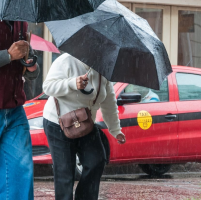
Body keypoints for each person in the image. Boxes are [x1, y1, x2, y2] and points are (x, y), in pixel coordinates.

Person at [43, 53, 126, 200]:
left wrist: (115, 129)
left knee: (97, 160)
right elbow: (48, 87)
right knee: (65, 171)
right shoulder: (66, 60)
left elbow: (109, 102)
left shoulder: (103, 70)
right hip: (58, 122)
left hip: (85, 123)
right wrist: (72, 83)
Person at [0, 21, 40, 200]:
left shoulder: (21, 22)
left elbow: (30, 73)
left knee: (21, 175)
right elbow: (10, 57)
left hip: (15, 109)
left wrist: (31, 63)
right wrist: (8, 55)